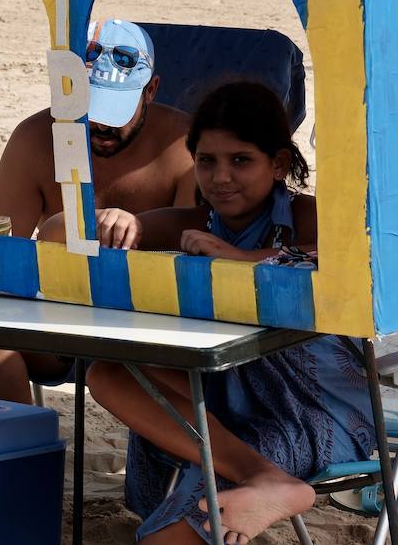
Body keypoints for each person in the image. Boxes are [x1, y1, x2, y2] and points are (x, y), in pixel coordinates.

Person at [42, 82, 375, 545]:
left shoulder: (307, 217)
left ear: (278, 164)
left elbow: (364, 259)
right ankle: (264, 478)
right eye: (206, 161)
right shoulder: (193, 223)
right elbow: (52, 233)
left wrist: (239, 260)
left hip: (309, 412)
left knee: (166, 538)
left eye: (241, 160)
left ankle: (263, 480)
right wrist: (113, 218)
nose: (221, 177)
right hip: (224, 412)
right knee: (108, 374)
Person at [0, 20, 197, 408]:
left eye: (115, 110)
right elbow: (1, 255)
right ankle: (12, 458)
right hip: (61, 317)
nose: (99, 124)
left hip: (153, 323)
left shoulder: (185, 147)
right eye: (87, 107)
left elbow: (194, 251)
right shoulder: (35, 139)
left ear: (151, 90)